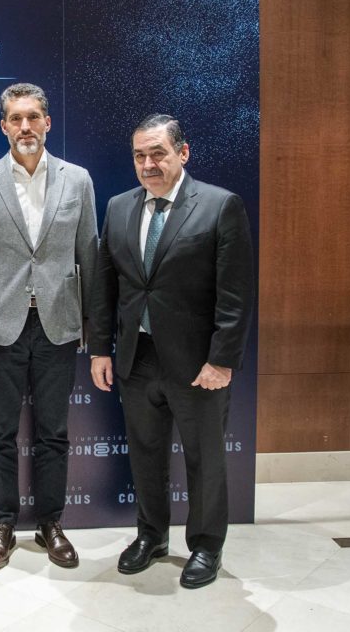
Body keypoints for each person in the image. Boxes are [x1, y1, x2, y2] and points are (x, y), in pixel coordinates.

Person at [87, 114, 254, 589]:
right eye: (139, 155)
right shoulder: (119, 207)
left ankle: (206, 546)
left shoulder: (220, 205)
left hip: (198, 364)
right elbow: (105, 285)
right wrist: (100, 348)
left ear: (183, 153)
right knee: (145, 454)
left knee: (205, 459)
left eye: (158, 153)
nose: (148, 164)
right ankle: (151, 535)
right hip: (136, 357)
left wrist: (222, 360)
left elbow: (235, 294)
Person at [0, 83, 98, 570]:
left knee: (53, 432)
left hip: (58, 323)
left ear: (47, 122)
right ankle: (2, 524)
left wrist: (93, 327)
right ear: (4, 126)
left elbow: (89, 254)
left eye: (33, 117)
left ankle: (50, 523)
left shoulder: (77, 180)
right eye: (16, 118)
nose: (25, 126)